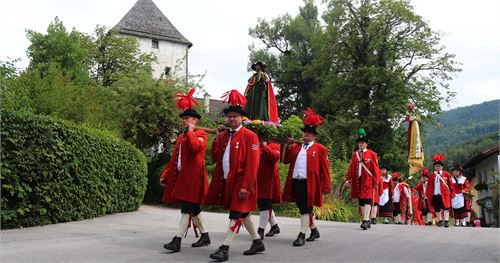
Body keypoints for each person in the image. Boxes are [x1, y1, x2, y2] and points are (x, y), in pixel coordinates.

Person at [205, 90, 264, 262]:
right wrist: (217, 137)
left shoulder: (250, 136)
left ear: (241, 118)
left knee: (235, 214)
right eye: (229, 116)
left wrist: (246, 186)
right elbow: (216, 157)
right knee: (242, 214)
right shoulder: (225, 135)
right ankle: (257, 242)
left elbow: (253, 165)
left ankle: (225, 247)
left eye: (235, 116)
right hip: (228, 181)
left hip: (242, 183)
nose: (231, 119)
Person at [160, 88, 210, 252]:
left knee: (187, 209)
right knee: (193, 208)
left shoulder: (201, 134)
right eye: (183, 118)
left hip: (194, 178)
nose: (184, 121)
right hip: (182, 177)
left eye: (187, 118)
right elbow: (175, 159)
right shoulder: (181, 137)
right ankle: (205, 235)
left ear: (195, 120)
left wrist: (190, 133)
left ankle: (177, 240)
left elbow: (196, 149)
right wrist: (166, 174)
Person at [282, 107, 331, 246]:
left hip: (310, 183)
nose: (306, 135)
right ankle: (314, 230)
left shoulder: (321, 149)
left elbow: (325, 169)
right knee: (302, 207)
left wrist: (326, 186)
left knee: (306, 208)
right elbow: (285, 160)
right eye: (305, 133)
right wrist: (287, 147)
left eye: (309, 133)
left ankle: (301, 235)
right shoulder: (296, 147)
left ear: (314, 136)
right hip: (295, 181)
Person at [344, 128, 381, 230]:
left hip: (368, 180)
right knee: (360, 200)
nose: (361, 144)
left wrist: (376, 181)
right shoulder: (354, 155)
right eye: (360, 143)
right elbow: (351, 167)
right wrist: (347, 179)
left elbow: (376, 169)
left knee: (367, 199)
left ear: (366, 144)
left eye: (363, 143)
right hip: (357, 180)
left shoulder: (372, 154)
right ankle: (367, 220)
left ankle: (365, 220)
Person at [256, 138, 282, 239]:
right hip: (258, 178)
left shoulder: (274, 143)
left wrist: (264, 146)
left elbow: (275, 157)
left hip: (269, 179)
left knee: (265, 204)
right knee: (263, 203)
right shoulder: (255, 142)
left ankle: (260, 230)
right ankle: (274, 226)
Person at [426, 154, 455, 228]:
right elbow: (428, 186)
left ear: (442, 167)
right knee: (437, 208)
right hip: (435, 194)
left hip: (444, 194)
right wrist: (427, 193)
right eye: (436, 166)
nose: (437, 167)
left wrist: (452, 193)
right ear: (434, 167)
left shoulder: (447, 174)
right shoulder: (432, 175)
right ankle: (440, 220)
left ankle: (446, 221)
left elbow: (451, 185)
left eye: (439, 166)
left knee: (446, 207)